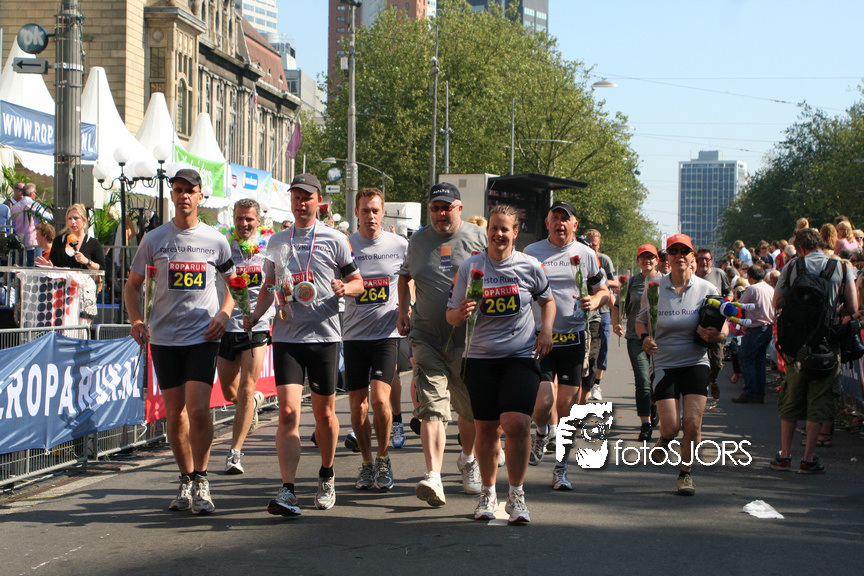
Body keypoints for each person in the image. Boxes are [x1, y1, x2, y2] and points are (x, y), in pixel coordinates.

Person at [248, 173, 363, 516]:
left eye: (307, 197)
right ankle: (288, 490)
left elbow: (357, 282)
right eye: (296, 197)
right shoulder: (277, 241)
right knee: (287, 412)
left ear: (318, 202)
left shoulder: (335, 239)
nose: (301, 203)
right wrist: (254, 316)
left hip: (324, 336)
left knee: (324, 413)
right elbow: (269, 285)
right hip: (287, 336)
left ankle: (327, 473)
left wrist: (345, 288)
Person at [125, 168, 236, 515]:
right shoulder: (154, 239)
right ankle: (186, 478)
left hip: (202, 336)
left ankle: (202, 478)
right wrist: (136, 320)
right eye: (178, 189)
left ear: (201, 196)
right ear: (171, 195)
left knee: (198, 409)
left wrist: (224, 314)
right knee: (174, 414)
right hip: (164, 339)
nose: (184, 195)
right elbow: (132, 286)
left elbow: (236, 286)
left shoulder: (216, 241)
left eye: (190, 190)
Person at [446, 204, 554, 523]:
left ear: (515, 233)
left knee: (517, 423)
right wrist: (461, 313)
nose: (498, 234)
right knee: (487, 429)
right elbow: (450, 315)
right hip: (480, 359)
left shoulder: (529, 266)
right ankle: (488, 492)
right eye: (494, 228)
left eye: (505, 228)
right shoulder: (471, 268)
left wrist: (546, 330)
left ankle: (517, 494)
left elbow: (547, 301)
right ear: (487, 231)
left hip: (520, 356)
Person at [397, 182, 487, 507]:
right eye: (435, 208)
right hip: (426, 337)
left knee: (470, 411)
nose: (441, 214)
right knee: (433, 407)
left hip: (469, 342)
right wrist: (403, 310)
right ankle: (433, 476)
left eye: (447, 208)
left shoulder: (479, 238)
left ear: (459, 208)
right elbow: (404, 276)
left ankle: (467, 458)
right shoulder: (418, 241)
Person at [523, 200, 609, 490]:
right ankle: (542, 432)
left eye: (565, 218)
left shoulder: (585, 254)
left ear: (574, 224)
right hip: (541, 339)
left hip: (573, 339)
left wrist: (595, 300)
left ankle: (560, 469)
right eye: (555, 217)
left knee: (567, 409)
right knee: (541, 404)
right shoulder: (531, 253)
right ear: (547, 223)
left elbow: (605, 291)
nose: (560, 223)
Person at [635, 233, 727, 496]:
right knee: (671, 426)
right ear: (668, 257)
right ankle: (665, 438)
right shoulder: (654, 288)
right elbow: (640, 321)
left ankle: (685, 473)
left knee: (693, 424)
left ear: (692, 256)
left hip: (696, 360)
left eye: (684, 251)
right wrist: (645, 338)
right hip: (664, 361)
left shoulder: (707, 289)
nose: (679, 256)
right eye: (673, 252)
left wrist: (717, 336)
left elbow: (724, 327)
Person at [770, 228, 857, 474]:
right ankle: (808, 459)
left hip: (796, 343)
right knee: (820, 397)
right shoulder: (841, 267)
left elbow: (776, 302)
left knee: (792, 395)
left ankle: (785, 455)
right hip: (827, 343)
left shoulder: (792, 267)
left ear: (800, 248)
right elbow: (853, 307)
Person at [343, 187, 408, 492]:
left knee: (381, 399)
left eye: (375, 210)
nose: (370, 216)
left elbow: (409, 278)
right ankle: (367, 462)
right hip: (354, 335)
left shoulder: (399, 244)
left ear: (383, 213)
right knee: (358, 407)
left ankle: (383, 458)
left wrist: (407, 307)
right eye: (365, 210)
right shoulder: (345, 245)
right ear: (357, 213)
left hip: (386, 334)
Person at [217, 199, 273, 475]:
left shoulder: (268, 248)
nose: (244, 224)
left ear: (258, 222)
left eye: (249, 219)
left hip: (257, 325)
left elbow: (274, 283)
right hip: (227, 325)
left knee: (247, 387)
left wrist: (267, 311)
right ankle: (251, 404)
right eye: (239, 218)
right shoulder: (224, 246)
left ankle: (235, 452)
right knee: (231, 392)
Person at [612, 244, 662, 440]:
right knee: (642, 380)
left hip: (660, 339)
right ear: (638, 260)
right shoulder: (632, 282)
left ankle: (653, 404)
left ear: (657, 260)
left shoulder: (666, 281)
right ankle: (645, 423)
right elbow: (617, 304)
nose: (647, 260)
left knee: (657, 380)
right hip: (635, 337)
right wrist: (616, 323)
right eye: (643, 257)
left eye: (651, 257)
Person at [731, 265, 775, 404]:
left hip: (755, 328)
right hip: (767, 327)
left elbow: (740, 304)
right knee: (759, 362)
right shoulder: (770, 288)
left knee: (746, 358)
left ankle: (750, 391)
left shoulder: (752, 289)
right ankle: (759, 392)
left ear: (749, 277)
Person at [584, 229, 619, 402]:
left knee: (601, 346)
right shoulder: (579, 259)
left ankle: (596, 383)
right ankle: (585, 382)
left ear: (599, 245)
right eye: (588, 244)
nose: (592, 247)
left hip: (602, 309)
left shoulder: (604, 261)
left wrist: (600, 281)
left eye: (594, 245)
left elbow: (615, 283)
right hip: (584, 312)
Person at [694, 247, 731, 402]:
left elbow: (729, 293)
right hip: (697, 321)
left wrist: (726, 304)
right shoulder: (692, 275)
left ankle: (713, 380)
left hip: (717, 321)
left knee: (716, 360)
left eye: (707, 259)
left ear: (711, 261)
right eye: (701, 259)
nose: (704, 262)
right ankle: (699, 390)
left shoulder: (719, 274)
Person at [35, 204, 104, 271]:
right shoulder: (59, 241)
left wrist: (87, 262)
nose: (73, 222)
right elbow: (53, 264)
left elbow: (102, 268)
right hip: (62, 278)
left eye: (76, 218)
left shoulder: (93, 243)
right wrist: (50, 267)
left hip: (83, 279)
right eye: (69, 219)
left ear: (84, 220)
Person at [10, 183, 51, 267]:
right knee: (35, 269)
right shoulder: (34, 206)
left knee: (20, 270)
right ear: (32, 194)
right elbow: (49, 217)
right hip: (34, 243)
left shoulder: (14, 208)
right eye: (35, 193)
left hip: (19, 243)